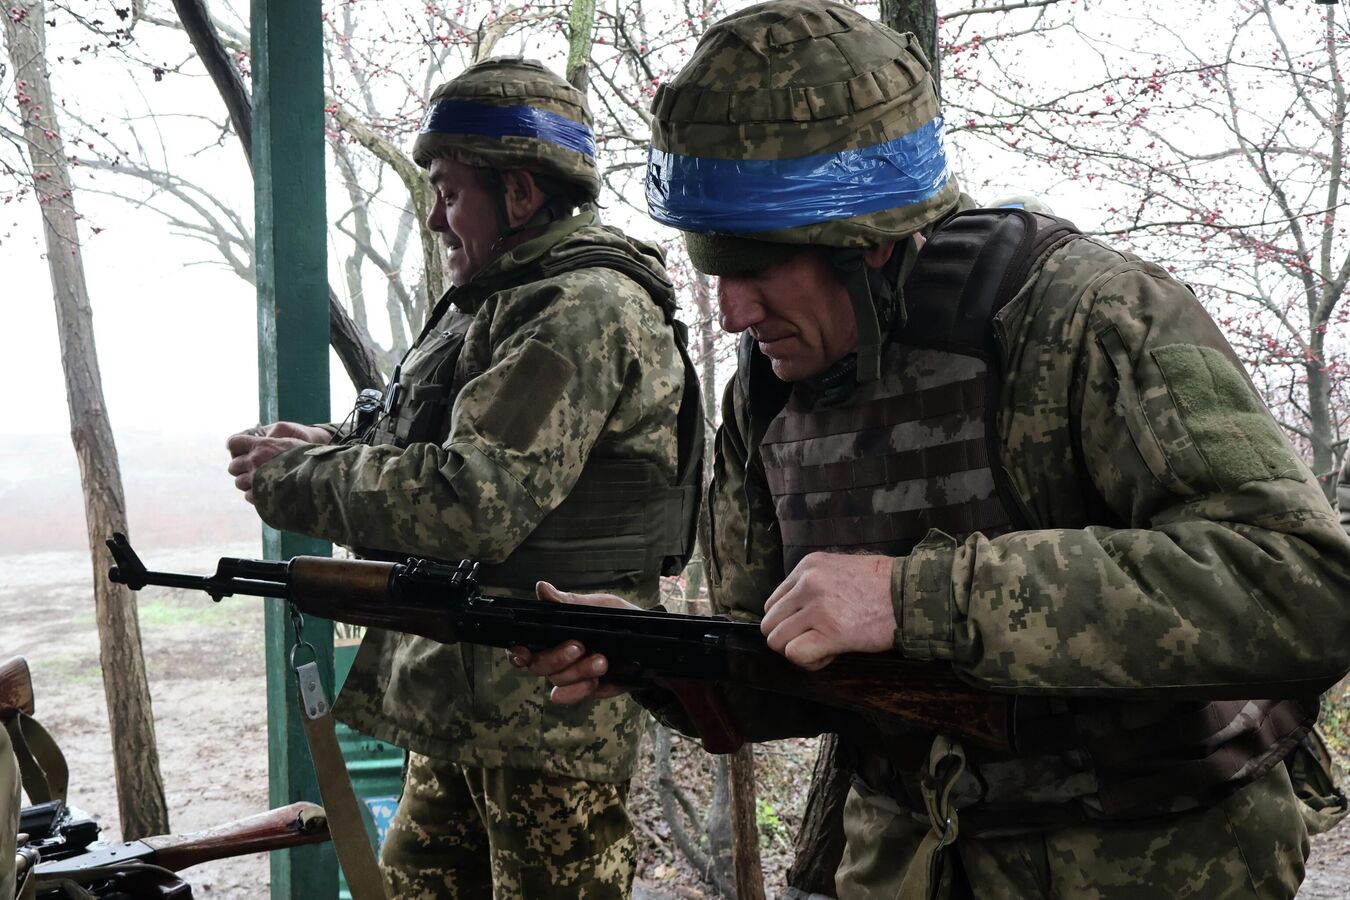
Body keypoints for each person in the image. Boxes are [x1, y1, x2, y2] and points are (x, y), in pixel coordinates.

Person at [515, 3, 1350, 898]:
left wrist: (918, 599)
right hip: (905, 862)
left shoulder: (1086, 318)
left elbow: (1304, 588)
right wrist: (653, 658)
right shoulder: (765, 395)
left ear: (865, 243)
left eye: (757, 268)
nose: (733, 313)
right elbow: (785, 671)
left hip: (1153, 860)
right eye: (717, 271)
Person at [226, 56, 700, 899]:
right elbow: (446, 435)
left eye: (449, 192)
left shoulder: (576, 309)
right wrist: (330, 443)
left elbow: (470, 499)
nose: (440, 220)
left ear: (518, 194)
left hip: (547, 707)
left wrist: (304, 478)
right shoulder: (504, 301)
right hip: (466, 700)